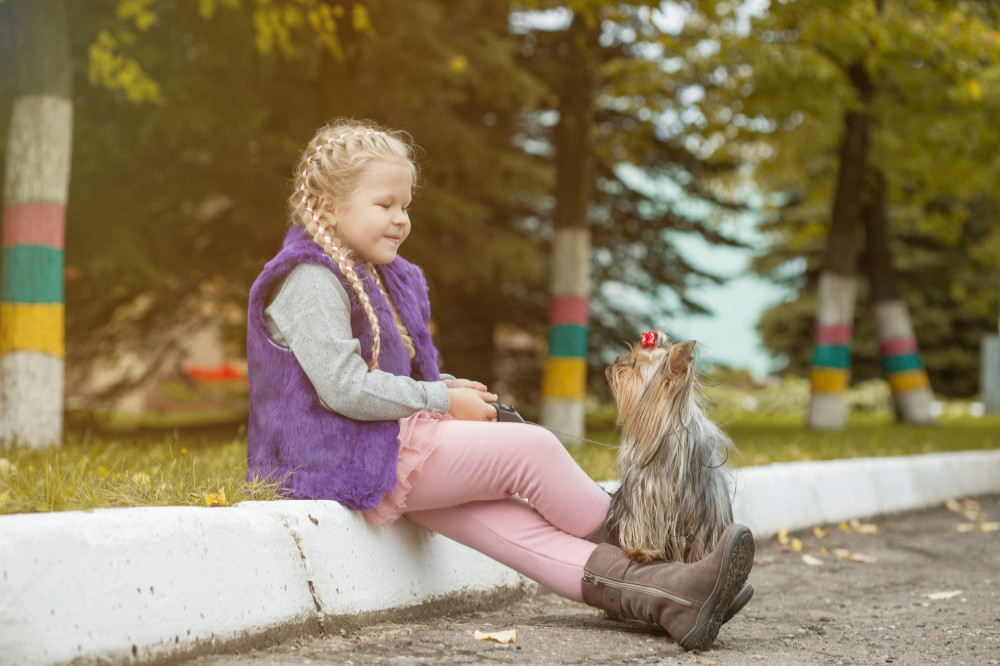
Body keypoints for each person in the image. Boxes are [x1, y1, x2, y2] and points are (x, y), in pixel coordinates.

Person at [246, 119, 754, 651]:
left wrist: (444, 385)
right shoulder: (309, 278)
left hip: (369, 447)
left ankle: (674, 597)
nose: (401, 220)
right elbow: (344, 388)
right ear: (326, 206)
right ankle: (666, 550)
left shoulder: (360, 272)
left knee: (519, 532)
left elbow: (376, 374)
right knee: (531, 450)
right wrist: (441, 399)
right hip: (338, 456)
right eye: (385, 205)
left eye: (405, 206)